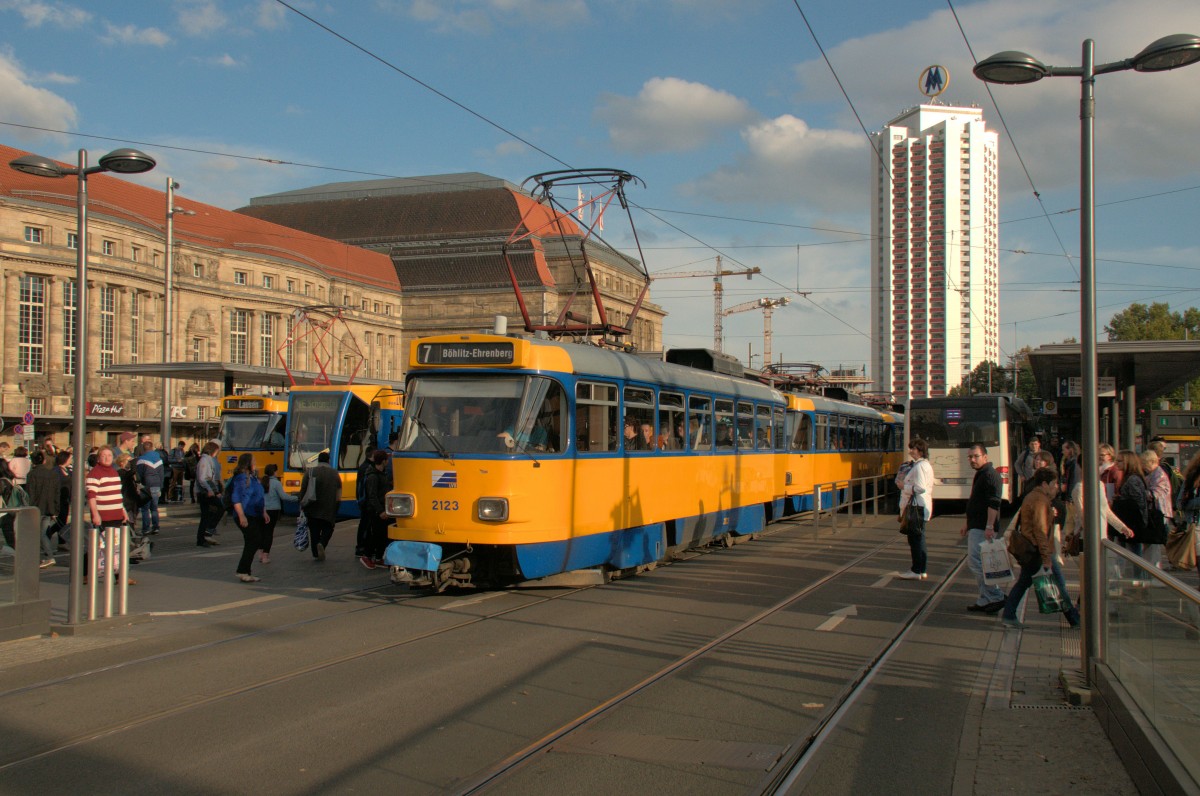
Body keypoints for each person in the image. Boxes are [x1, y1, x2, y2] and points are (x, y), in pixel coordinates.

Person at [1000, 468, 1080, 629]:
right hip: (1037, 550)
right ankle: (1074, 619)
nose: (1057, 487)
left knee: (1026, 582)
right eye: (1054, 484)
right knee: (1057, 583)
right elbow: (1040, 530)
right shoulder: (1039, 500)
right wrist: (1046, 557)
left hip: (1036, 550)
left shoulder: (1036, 497)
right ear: (1044, 484)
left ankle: (1009, 614)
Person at [962, 443, 1006, 613]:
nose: (972, 460)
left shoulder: (990, 475)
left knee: (977, 563)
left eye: (975, 456)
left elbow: (993, 503)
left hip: (983, 527)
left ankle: (995, 596)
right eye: (970, 457)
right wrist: (968, 523)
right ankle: (984, 599)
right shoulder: (981, 474)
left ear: (985, 457)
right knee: (980, 563)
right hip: (976, 525)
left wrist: (989, 526)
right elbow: (977, 501)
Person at [85, 447, 133, 585]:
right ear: (99, 458)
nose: (107, 458)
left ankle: (120, 576)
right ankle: (89, 573)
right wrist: (95, 514)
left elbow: (118, 495)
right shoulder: (95, 473)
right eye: (104, 455)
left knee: (117, 547)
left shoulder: (113, 472)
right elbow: (91, 496)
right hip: (103, 516)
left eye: (109, 455)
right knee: (102, 547)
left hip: (116, 514)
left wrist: (123, 511)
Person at [228, 453, 268, 583]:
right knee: (254, 540)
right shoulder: (241, 478)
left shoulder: (252, 477)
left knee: (252, 541)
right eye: (253, 461)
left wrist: (264, 512)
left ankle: (245, 571)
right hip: (245, 514)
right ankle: (242, 571)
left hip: (254, 514)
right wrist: (241, 515)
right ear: (248, 463)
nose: (255, 463)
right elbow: (236, 498)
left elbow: (258, 495)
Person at [898, 438, 934, 580]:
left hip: (916, 507)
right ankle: (921, 569)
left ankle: (916, 570)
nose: (910, 451)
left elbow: (920, 488)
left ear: (919, 450)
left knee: (916, 540)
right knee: (919, 539)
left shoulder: (919, 467)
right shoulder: (925, 465)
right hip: (921, 506)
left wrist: (904, 487)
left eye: (912, 449)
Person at [299, 451, 342, 562]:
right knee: (328, 528)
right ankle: (322, 543)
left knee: (314, 531)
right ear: (328, 460)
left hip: (313, 507)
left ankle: (316, 554)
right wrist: (337, 507)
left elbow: (303, 489)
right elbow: (338, 494)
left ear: (318, 460)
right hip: (329, 508)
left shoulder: (310, 472)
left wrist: (301, 504)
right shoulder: (335, 474)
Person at [1109, 450, 1148, 559]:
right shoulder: (1129, 477)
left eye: (1120, 461)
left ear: (1128, 462)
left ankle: (1137, 574)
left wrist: (1120, 500)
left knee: (1134, 549)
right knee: (1129, 549)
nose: (1116, 463)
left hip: (1132, 520)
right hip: (1130, 518)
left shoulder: (1132, 479)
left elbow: (1138, 501)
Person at [26, 450, 61, 567]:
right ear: (44, 460)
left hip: (36, 508)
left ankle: (48, 556)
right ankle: (46, 556)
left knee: (37, 534)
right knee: (42, 533)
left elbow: (31, 493)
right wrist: (56, 510)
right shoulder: (52, 474)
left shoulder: (32, 474)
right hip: (49, 508)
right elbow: (57, 493)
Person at [360, 449, 392, 569]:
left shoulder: (381, 474)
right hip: (375, 511)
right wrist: (380, 511)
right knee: (376, 534)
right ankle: (367, 556)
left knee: (382, 535)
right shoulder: (373, 476)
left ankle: (379, 557)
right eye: (387, 460)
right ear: (383, 461)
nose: (388, 462)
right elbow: (372, 496)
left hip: (383, 510)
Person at [260, 463, 296, 564]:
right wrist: (297, 498)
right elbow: (284, 497)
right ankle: (265, 556)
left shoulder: (261, 482)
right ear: (274, 472)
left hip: (262, 510)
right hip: (273, 511)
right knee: (269, 533)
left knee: (262, 532)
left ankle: (261, 554)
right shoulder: (276, 483)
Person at [194, 441, 223, 547]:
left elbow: (209, 478)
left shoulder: (207, 460)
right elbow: (203, 478)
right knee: (220, 507)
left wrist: (216, 491)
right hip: (204, 492)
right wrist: (211, 490)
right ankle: (208, 529)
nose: (217, 453)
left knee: (205, 516)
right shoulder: (205, 460)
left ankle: (201, 538)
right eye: (216, 451)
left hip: (206, 491)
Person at [135, 441, 164, 535]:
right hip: (156, 485)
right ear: (152, 447)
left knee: (145, 509)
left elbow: (139, 475)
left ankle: (146, 529)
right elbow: (161, 474)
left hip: (146, 486)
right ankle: (156, 527)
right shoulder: (159, 459)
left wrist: (139, 485)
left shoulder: (141, 459)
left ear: (143, 449)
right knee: (154, 508)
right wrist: (161, 486)